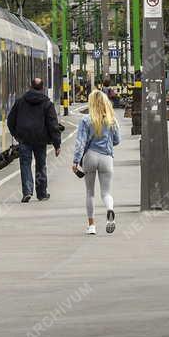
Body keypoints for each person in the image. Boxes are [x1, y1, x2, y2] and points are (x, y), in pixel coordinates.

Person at [73, 89, 120, 235]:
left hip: (90, 157)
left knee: (90, 193)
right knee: (106, 193)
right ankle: (110, 210)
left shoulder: (86, 120)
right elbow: (117, 140)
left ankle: (92, 226)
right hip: (107, 158)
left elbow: (80, 143)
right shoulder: (111, 119)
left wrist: (75, 161)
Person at [7, 77, 62, 203]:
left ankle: (27, 191)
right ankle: (42, 193)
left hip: (24, 139)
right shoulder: (47, 103)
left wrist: (16, 135)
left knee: (25, 165)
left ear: (30, 86)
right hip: (40, 140)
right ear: (42, 88)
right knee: (41, 165)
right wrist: (57, 144)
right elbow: (53, 125)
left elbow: (10, 120)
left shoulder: (20, 102)